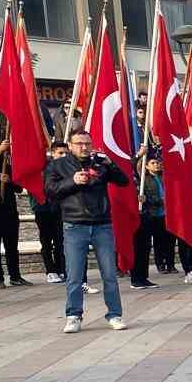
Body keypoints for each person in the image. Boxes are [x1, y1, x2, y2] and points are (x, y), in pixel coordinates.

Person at [47, 129, 129, 332]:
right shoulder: (58, 165)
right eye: (79, 143)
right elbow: (50, 190)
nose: (84, 147)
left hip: (101, 223)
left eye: (87, 143)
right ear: (70, 145)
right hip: (74, 224)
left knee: (109, 273)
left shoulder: (100, 163)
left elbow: (123, 181)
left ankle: (115, 314)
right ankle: (74, 315)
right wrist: (72, 181)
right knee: (74, 275)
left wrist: (111, 163)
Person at [0, 141, 28, 289]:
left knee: (11, 245)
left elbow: (19, 188)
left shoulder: (8, 165)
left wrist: (9, 180)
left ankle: (15, 276)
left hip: (9, 211)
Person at [129, 153, 167, 289]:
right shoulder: (136, 178)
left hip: (147, 216)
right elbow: (130, 165)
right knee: (137, 248)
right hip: (135, 216)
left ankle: (143, 277)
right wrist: (139, 154)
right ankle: (136, 278)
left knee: (145, 248)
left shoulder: (143, 179)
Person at [34, 140, 67, 284]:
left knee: (61, 240)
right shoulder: (44, 167)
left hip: (61, 208)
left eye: (66, 153)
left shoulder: (69, 167)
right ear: (52, 153)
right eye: (60, 153)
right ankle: (51, 270)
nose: (63, 155)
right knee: (47, 240)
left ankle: (61, 268)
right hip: (44, 208)